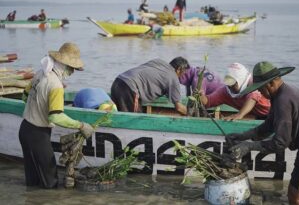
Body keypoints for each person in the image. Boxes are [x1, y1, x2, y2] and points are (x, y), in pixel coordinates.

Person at [225, 61, 299, 204]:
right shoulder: (282, 94)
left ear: (270, 84)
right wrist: (244, 136)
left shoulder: (283, 101)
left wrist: (249, 146)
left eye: (261, 89)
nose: (260, 93)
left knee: (295, 195)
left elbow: (280, 143)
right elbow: (268, 127)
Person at [19, 42, 95, 189]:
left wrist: (38, 104)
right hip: (38, 134)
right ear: (64, 65)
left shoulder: (40, 73)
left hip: (24, 129)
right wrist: (81, 125)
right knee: (51, 182)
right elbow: (55, 117)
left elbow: (24, 96)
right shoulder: (56, 86)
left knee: (33, 180)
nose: (72, 72)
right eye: (72, 68)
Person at [110, 57, 189, 115]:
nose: (182, 76)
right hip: (129, 88)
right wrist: (193, 115)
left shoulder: (158, 61)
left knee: (116, 115)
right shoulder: (173, 77)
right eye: (183, 73)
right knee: (133, 119)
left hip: (118, 81)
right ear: (179, 69)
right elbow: (179, 107)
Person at [199, 62, 270, 120]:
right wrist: (201, 96)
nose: (230, 87)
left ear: (241, 80)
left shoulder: (253, 84)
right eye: (228, 83)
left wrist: (239, 115)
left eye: (233, 84)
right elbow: (208, 101)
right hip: (255, 116)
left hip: (273, 114)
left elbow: (253, 97)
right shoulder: (225, 90)